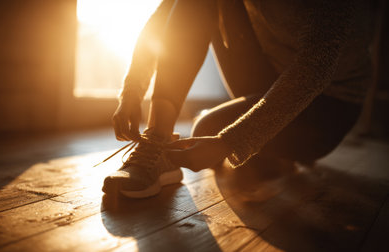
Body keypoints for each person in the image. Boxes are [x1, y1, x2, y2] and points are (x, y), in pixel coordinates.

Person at [102, 0, 374, 198]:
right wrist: (131, 90)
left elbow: (315, 70)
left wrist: (229, 141)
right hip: (268, 75)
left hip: (329, 106)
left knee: (208, 130)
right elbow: (164, 19)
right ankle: (157, 136)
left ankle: (271, 148)